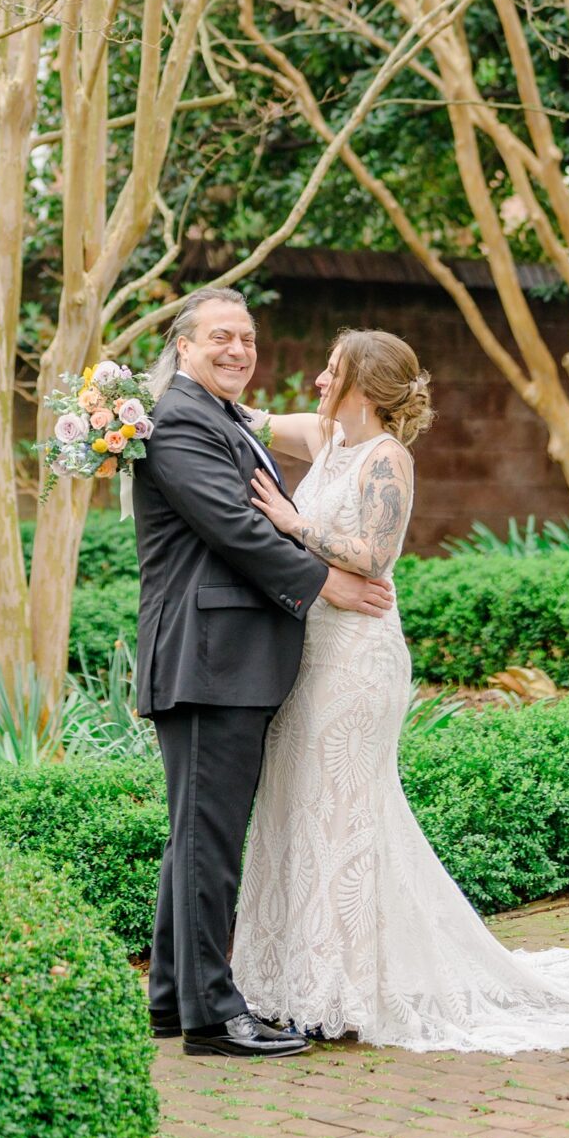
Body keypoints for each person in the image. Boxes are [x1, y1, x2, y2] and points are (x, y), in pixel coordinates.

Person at [233, 326, 569, 1053]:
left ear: (363, 387)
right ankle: (294, 977)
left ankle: (343, 991)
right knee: (301, 804)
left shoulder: (385, 459)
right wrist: (119, 408)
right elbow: (237, 417)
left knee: (343, 811)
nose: (314, 379)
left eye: (330, 369)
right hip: (309, 655)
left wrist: (290, 522)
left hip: (357, 661)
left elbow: (373, 557)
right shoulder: (324, 437)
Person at [133, 288, 396, 1056]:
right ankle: (213, 1017)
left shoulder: (217, 417)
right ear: (182, 346)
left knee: (197, 835)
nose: (237, 350)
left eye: (246, 338)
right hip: (208, 659)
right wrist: (327, 583)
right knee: (207, 838)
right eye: (220, 336)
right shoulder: (178, 420)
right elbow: (235, 527)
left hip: (227, 660)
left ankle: (174, 998)